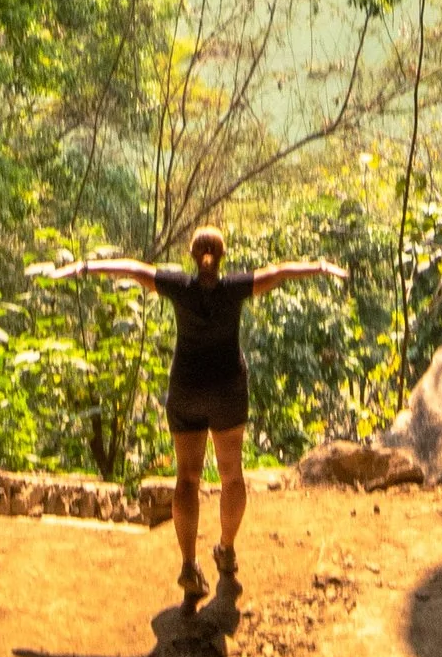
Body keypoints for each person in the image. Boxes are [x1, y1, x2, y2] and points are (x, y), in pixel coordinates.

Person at [78, 228, 345, 607]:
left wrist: (84, 268)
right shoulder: (235, 288)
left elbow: (133, 269)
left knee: (186, 478)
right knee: (231, 474)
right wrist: (320, 267)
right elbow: (280, 271)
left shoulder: (179, 287)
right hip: (226, 391)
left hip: (186, 390)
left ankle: (189, 564)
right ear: (220, 257)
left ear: (193, 255)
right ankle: (227, 549)